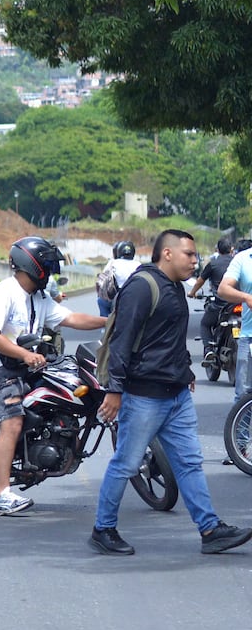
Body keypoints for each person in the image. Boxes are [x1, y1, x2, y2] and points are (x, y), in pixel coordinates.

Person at [90, 230, 252, 556]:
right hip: (144, 396)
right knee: (127, 463)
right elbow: (122, 341)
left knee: (190, 463)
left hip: (175, 395)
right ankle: (103, 529)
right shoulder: (141, 287)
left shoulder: (175, 288)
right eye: (189, 254)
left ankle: (210, 530)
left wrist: (186, 372)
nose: (195, 261)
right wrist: (115, 391)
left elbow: (168, 340)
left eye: (195, 256)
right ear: (167, 254)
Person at [0, 237, 105, 515]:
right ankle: (2, 495)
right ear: (32, 265)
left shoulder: (39, 298)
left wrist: (110, 321)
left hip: (22, 368)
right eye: (47, 267)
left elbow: (73, 319)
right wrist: (24, 354)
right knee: (12, 422)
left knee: (61, 396)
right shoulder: (4, 292)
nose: (50, 273)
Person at [189, 238, 234, 365]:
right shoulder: (237, 262)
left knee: (205, 324)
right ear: (231, 249)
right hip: (238, 303)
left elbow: (200, 281)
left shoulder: (213, 264)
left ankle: (209, 349)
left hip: (219, 305)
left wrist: (192, 293)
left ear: (218, 250)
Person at [217, 240, 252, 400]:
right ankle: (243, 426)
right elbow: (223, 289)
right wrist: (246, 297)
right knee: (243, 395)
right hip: (249, 336)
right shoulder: (242, 259)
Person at [96, 240, 141, 316]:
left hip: (116, 296)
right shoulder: (138, 264)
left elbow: (103, 279)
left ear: (118, 251)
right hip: (134, 297)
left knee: (101, 301)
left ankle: (105, 325)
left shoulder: (113, 263)